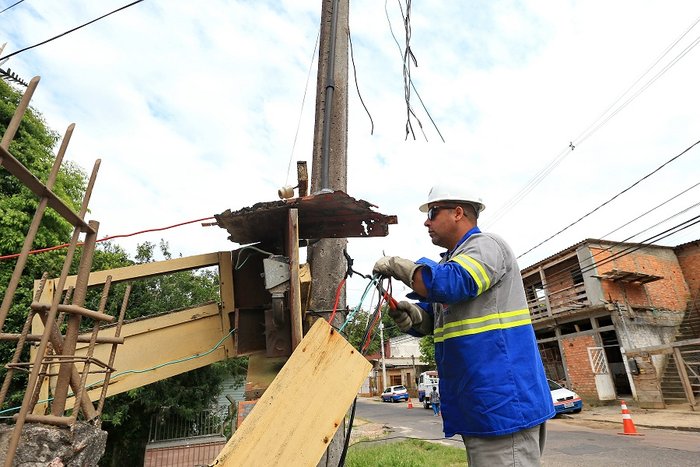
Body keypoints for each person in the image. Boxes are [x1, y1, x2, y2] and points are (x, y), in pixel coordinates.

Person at [373, 183, 555, 467]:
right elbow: (439, 317)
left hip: (502, 403)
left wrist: (400, 267)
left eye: (432, 212)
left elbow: (452, 283)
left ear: (458, 213)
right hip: (481, 405)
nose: (426, 221)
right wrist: (413, 317)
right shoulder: (453, 261)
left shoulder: (485, 247)